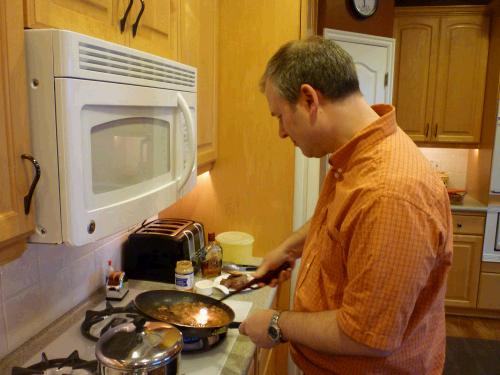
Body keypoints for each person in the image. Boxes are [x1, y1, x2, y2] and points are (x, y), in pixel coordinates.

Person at [238, 36, 453, 374]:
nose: (280, 132)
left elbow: (366, 337)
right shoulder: (354, 158)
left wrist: (278, 323)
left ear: (309, 99)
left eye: (280, 116)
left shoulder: (391, 194)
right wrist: (289, 248)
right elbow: (339, 221)